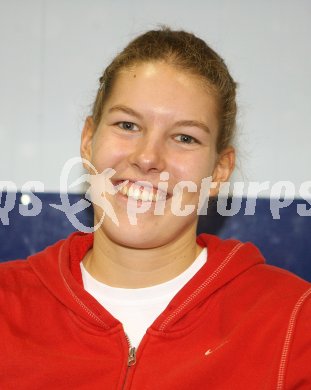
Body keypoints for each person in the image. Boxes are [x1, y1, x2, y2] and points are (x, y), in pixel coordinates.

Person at [0, 27, 310, 390]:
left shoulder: (294, 320)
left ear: (219, 171)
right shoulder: (7, 303)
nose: (148, 158)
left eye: (184, 137)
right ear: (88, 141)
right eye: (128, 125)